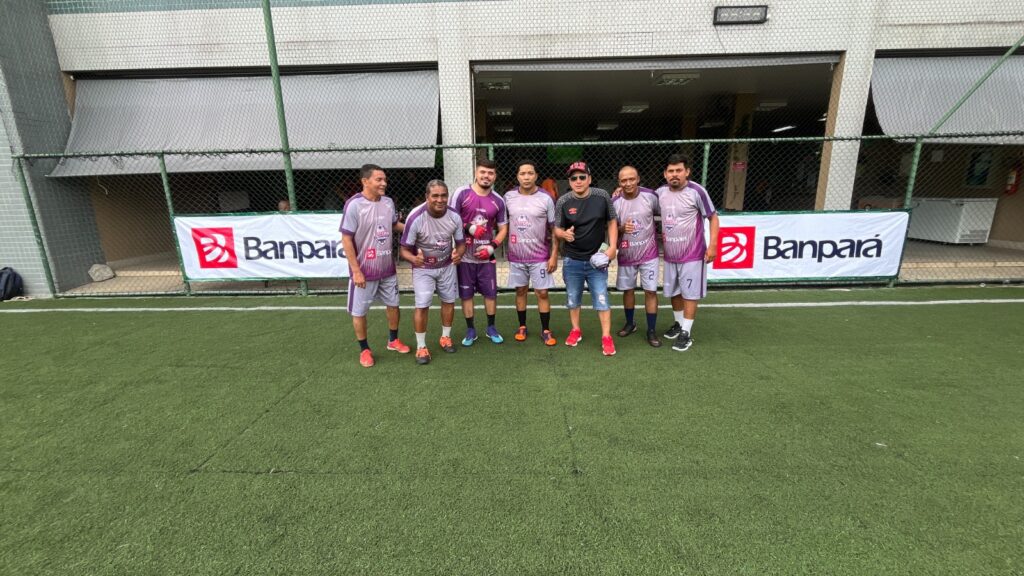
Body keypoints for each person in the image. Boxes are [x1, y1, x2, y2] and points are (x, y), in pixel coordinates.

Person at [340, 163, 411, 368]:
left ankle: (393, 340)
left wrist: (415, 230)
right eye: (379, 179)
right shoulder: (354, 205)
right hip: (364, 271)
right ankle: (364, 349)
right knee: (359, 312)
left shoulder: (388, 202)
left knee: (393, 305)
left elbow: (394, 225)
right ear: (365, 181)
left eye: (384, 179)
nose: (384, 183)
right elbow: (346, 239)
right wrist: (356, 271)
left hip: (387, 268)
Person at [656, 154, 720, 352]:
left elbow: (713, 217)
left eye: (679, 170)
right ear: (665, 174)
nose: (674, 174)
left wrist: (713, 246)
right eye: (671, 171)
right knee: (674, 292)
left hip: (693, 254)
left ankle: (686, 332)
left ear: (687, 172)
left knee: (689, 294)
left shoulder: (697, 191)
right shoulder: (660, 193)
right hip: (670, 254)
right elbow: (641, 198)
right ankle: (678, 324)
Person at [554, 161, 618, 356]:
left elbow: (612, 221)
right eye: (574, 178)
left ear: (589, 179)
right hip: (572, 260)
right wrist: (564, 234)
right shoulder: (563, 201)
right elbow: (557, 229)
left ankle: (606, 337)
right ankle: (576, 330)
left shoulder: (602, 196)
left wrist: (612, 247)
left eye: (582, 177)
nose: (578, 181)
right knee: (573, 298)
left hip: (596, 260)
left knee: (601, 298)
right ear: (569, 181)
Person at [399, 180, 466, 365]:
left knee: (449, 301)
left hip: (447, 266)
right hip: (423, 269)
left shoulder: (454, 216)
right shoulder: (415, 217)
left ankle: (445, 337)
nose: (440, 199)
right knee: (422, 305)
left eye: (443, 195)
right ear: (427, 197)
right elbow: (404, 250)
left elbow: (461, 244)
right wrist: (414, 259)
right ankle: (421, 347)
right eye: (435, 196)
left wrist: (458, 254)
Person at [449, 158, 508, 346]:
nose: (486, 176)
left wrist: (492, 246)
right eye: (483, 172)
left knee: (490, 294)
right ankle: (470, 330)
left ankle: (491, 327)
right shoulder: (461, 193)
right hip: (464, 256)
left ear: (495, 176)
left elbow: (504, 228)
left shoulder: (498, 200)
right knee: (466, 295)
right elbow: (450, 219)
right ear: (476, 172)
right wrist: (469, 227)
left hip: (486, 257)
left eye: (490, 173)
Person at [504, 159, 558, 346]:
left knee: (542, 293)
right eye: (522, 173)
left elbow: (554, 229)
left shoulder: (546, 198)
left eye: (530, 173)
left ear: (536, 176)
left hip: (540, 256)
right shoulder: (508, 197)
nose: (526, 177)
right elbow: (502, 224)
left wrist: (554, 255)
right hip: (516, 256)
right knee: (520, 290)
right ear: (517, 176)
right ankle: (522, 326)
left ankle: (546, 330)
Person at [612, 165, 662, 347]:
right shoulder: (615, 202)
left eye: (631, 179)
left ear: (638, 179)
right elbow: (611, 228)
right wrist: (622, 228)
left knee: (650, 291)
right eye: (624, 180)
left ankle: (651, 330)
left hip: (649, 254)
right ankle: (630, 323)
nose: (628, 183)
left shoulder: (650, 196)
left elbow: (664, 214)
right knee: (628, 290)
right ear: (619, 182)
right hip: (627, 254)